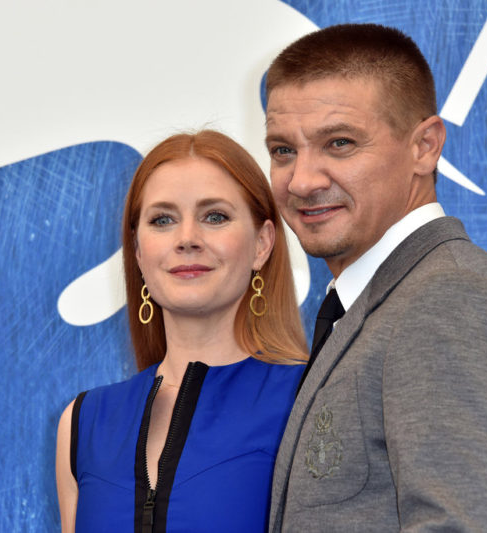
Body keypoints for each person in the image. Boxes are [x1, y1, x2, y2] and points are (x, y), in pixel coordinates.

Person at [263, 24, 487, 532]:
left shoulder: (453, 301)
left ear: (425, 146)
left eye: (339, 143)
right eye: (282, 150)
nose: (302, 180)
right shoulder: (389, 301)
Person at [55, 130, 308, 532]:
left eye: (215, 216)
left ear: (262, 244)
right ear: (137, 252)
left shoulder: (308, 399)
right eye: (162, 220)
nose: (187, 238)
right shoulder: (84, 423)